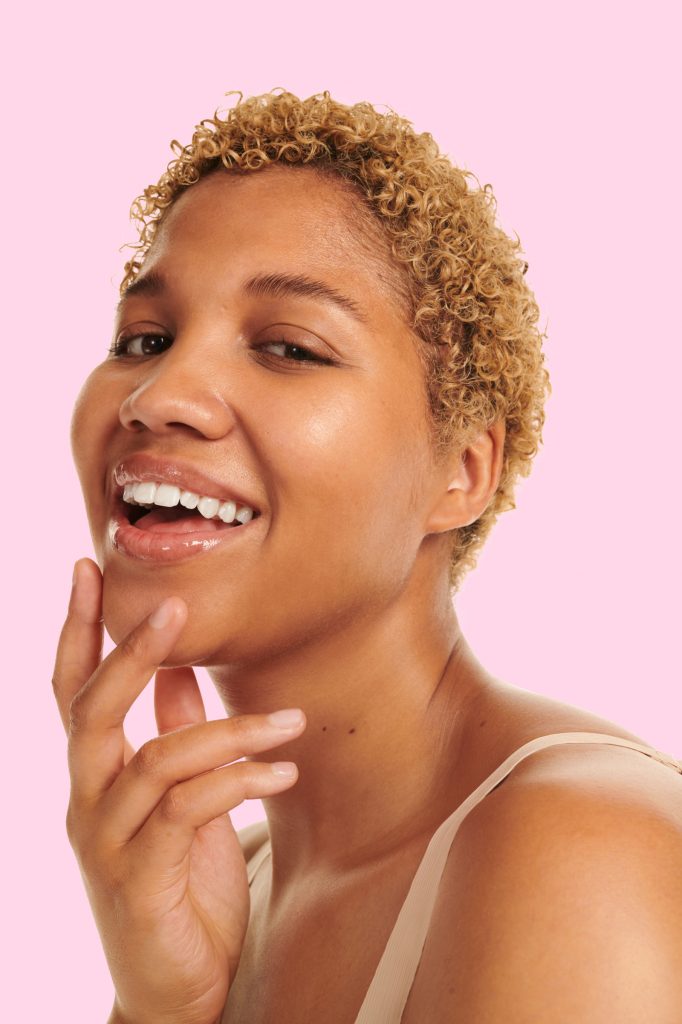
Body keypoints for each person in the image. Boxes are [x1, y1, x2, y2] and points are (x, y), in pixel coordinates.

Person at [52, 89, 682, 1024]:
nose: (160, 392)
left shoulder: (576, 846)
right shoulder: (227, 886)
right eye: (145, 338)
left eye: (289, 349)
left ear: (463, 473)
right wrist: (160, 1010)